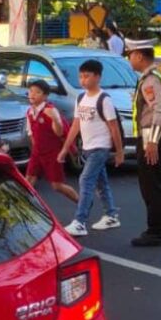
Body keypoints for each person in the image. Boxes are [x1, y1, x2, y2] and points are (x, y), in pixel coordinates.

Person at [58, 59, 124, 237]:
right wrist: (65, 148)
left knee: (86, 180)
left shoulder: (104, 100)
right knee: (101, 183)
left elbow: (114, 127)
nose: (83, 80)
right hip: (87, 148)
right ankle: (111, 215)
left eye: (87, 76)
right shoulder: (81, 98)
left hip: (100, 148)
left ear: (97, 77)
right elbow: (75, 125)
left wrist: (119, 152)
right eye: (80, 76)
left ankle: (80, 222)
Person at [126, 38, 161, 247]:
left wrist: (152, 141)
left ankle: (155, 232)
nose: (129, 59)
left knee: (150, 187)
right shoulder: (154, 77)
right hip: (159, 137)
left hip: (152, 138)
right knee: (158, 185)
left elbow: (160, 109)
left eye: (130, 55)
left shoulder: (150, 80)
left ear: (139, 55)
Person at [25, 80, 80, 203]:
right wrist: (35, 149)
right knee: (28, 180)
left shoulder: (50, 110)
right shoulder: (29, 111)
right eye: (31, 91)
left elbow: (59, 132)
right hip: (37, 152)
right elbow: (31, 133)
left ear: (45, 96)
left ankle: (81, 203)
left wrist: (55, 119)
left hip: (52, 153)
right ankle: (25, 211)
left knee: (57, 185)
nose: (32, 94)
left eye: (37, 92)